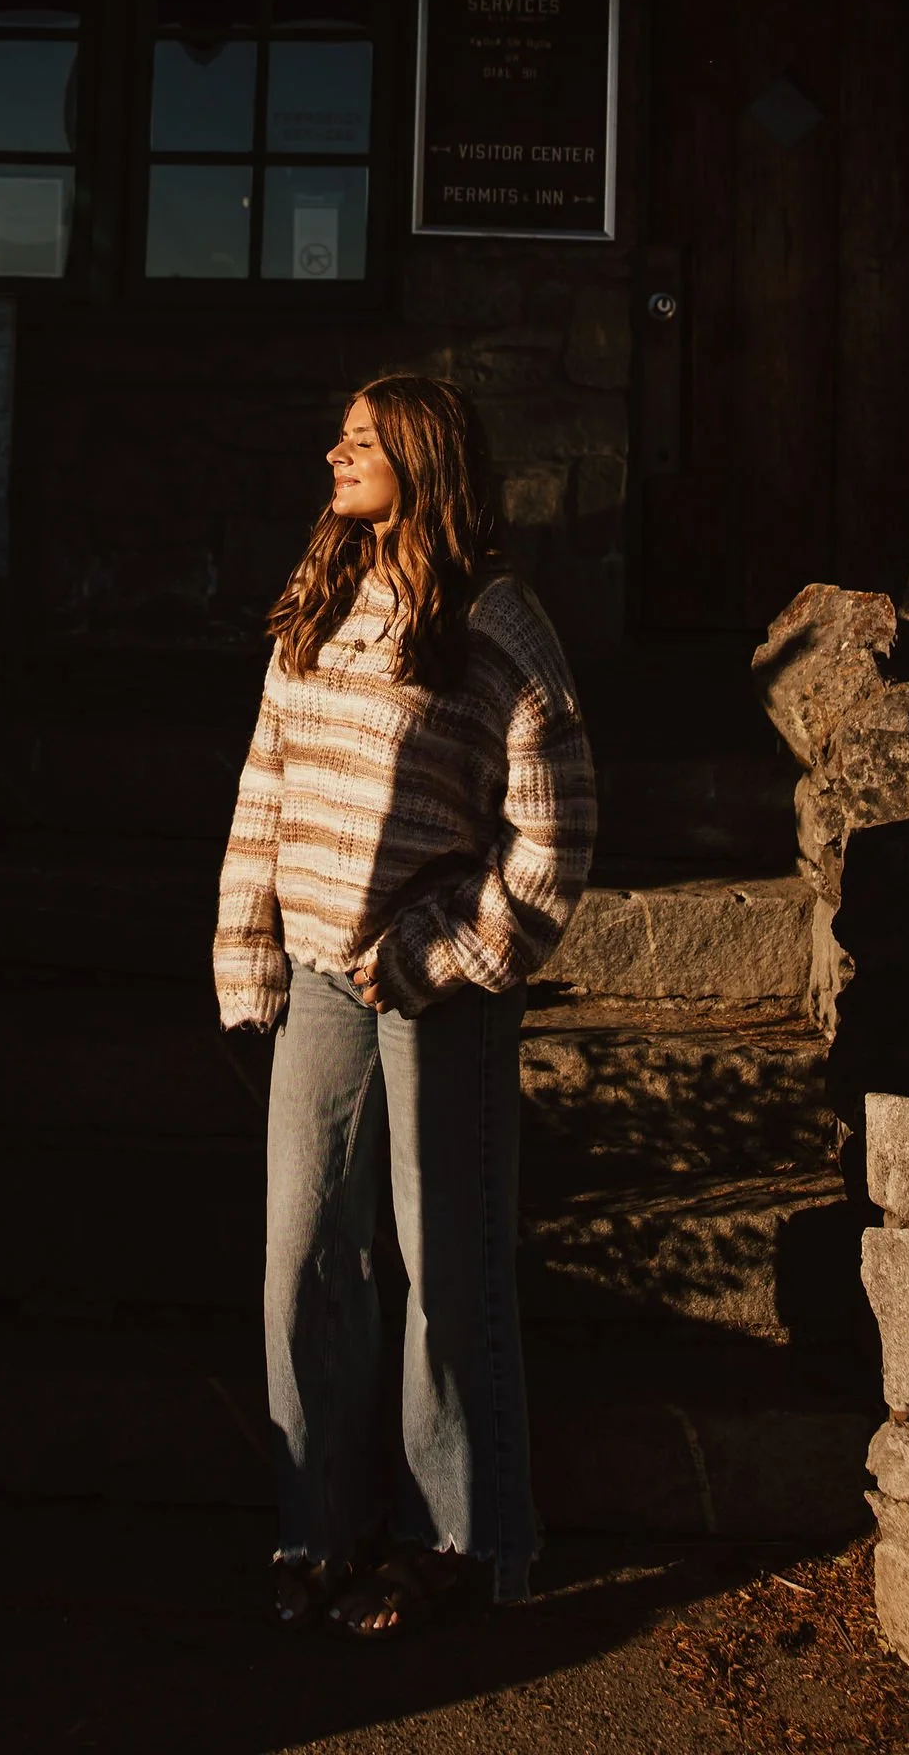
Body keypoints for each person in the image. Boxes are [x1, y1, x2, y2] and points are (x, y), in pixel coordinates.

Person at [214, 373, 596, 1638]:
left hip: (437, 990)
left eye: (361, 440)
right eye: (338, 435)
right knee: (304, 1262)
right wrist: (247, 955)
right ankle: (315, 1530)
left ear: (422, 458)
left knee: (447, 1270)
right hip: (316, 974)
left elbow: (556, 833)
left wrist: (448, 950)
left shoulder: (499, 624)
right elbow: (262, 784)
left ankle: (462, 1541)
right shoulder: (318, 601)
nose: (333, 453)